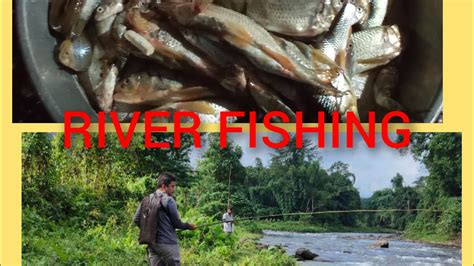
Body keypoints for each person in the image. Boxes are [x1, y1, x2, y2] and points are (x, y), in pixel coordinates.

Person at [134, 172, 196, 266]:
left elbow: (136, 219)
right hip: (168, 244)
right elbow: (176, 223)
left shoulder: (146, 199)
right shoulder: (169, 200)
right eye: (172, 186)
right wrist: (188, 226)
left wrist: (149, 230)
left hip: (152, 244)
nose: (173, 189)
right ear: (164, 186)